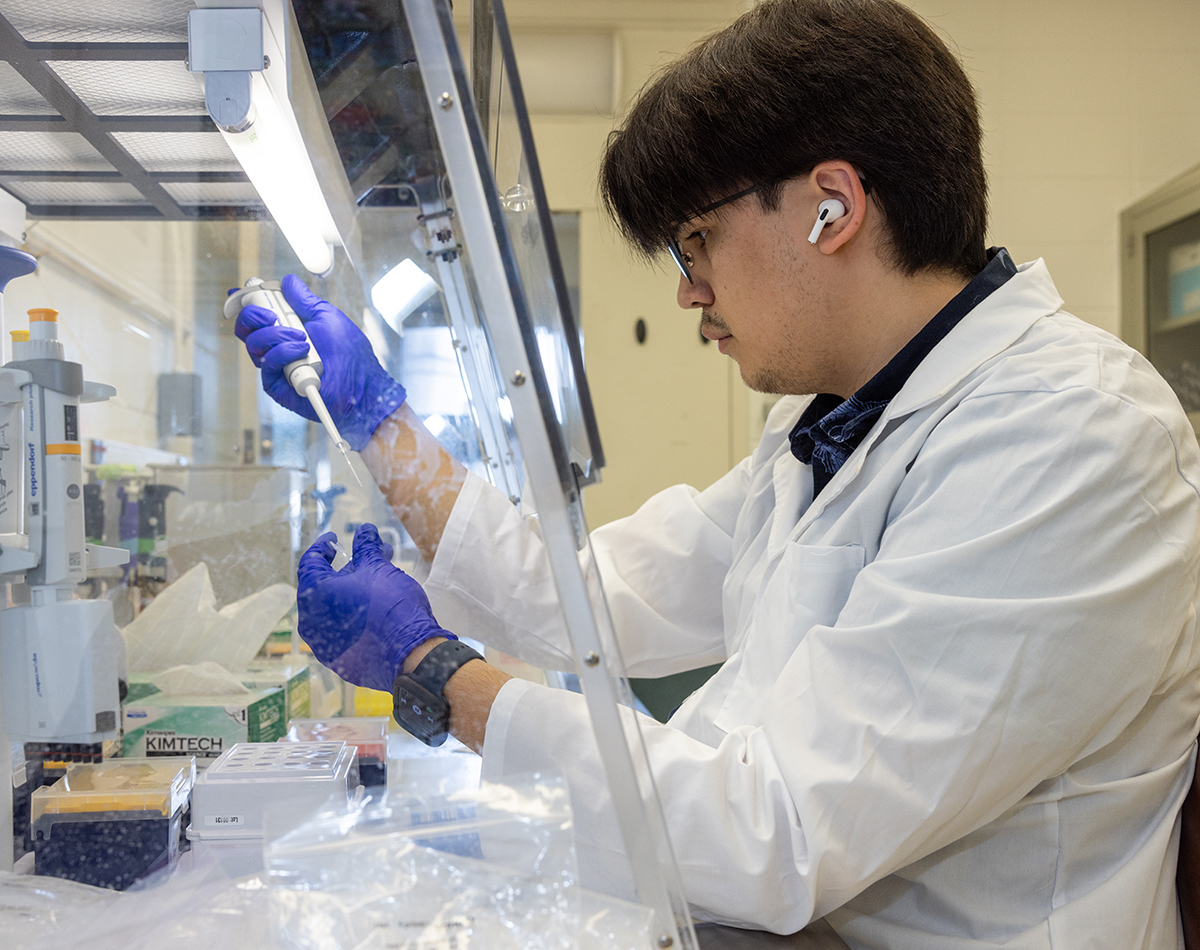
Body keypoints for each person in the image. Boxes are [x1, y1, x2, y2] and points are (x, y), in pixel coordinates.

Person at [235, 0, 1200, 945]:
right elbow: (590, 597)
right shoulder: (829, 424)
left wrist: (437, 675)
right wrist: (376, 426)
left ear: (834, 206)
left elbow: (773, 832)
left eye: (697, 241)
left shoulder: (1073, 439)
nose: (692, 291)